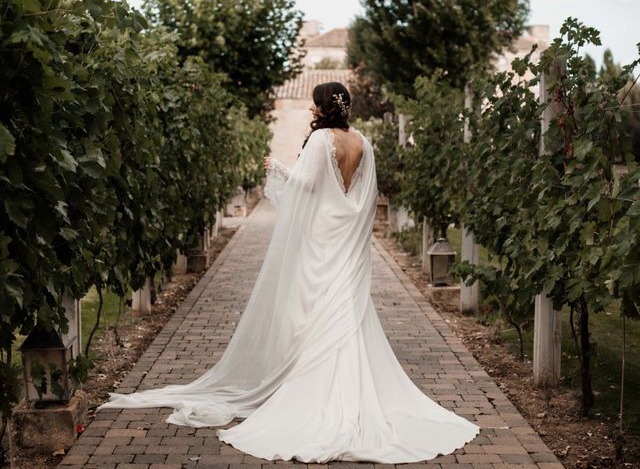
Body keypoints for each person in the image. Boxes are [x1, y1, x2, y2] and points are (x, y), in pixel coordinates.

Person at [97, 81, 480, 463]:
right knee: (345, 310)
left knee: (315, 311)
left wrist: (279, 169)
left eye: (314, 105)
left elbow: (307, 186)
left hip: (321, 240)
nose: (312, 111)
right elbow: (362, 199)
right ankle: (352, 391)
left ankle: (318, 399)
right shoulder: (363, 141)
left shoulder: (319, 142)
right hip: (347, 241)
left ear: (323, 106)